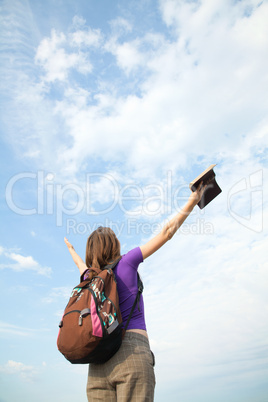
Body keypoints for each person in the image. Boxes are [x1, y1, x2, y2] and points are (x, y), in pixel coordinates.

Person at [64, 182, 206, 402]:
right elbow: (167, 232)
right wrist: (194, 199)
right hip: (131, 352)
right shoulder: (127, 263)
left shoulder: (89, 278)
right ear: (115, 244)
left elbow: (80, 265)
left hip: (97, 362)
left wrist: (72, 251)